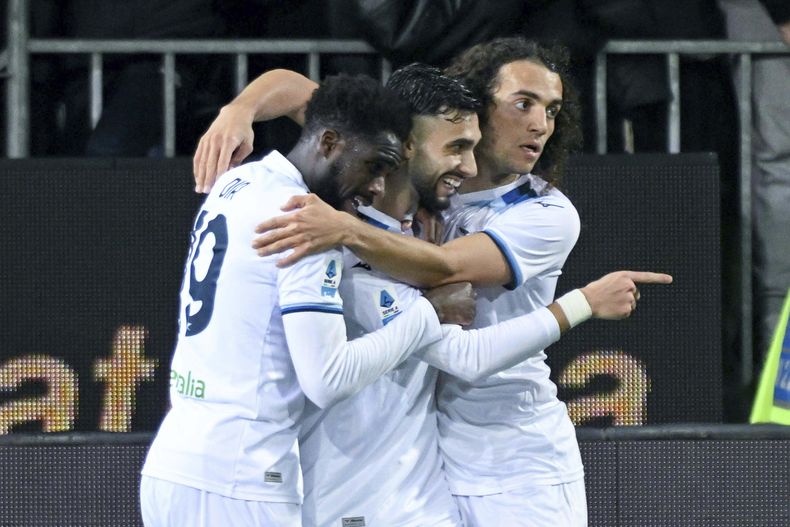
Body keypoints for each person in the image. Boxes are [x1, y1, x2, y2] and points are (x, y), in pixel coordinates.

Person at [199, 39, 672, 526]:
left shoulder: (546, 213)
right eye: (523, 104)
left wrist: (346, 230)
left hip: (515, 456)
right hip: (431, 456)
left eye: (552, 110)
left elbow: (444, 270)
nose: (540, 124)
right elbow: (300, 92)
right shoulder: (415, 177)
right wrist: (240, 111)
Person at [139, 73, 478, 527]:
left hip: (171, 466)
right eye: (374, 166)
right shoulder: (303, 225)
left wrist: (242, 107)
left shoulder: (237, 182)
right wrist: (427, 315)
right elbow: (329, 379)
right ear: (330, 143)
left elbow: (312, 99)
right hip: (243, 482)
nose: (377, 187)